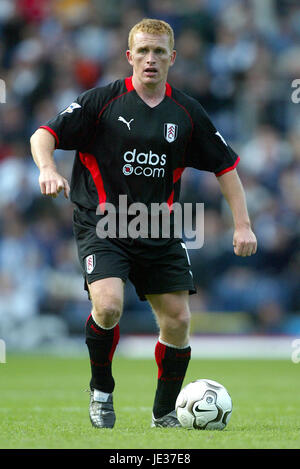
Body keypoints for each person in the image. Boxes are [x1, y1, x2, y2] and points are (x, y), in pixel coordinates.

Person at [30, 18, 257, 429]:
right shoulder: (101, 102)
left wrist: (242, 224)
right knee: (109, 306)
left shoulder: (187, 112)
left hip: (158, 227)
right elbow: (43, 134)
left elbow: (227, 167)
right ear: (129, 55)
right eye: (143, 51)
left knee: (179, 321)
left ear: (172, 57)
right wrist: (47, 168)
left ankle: (164, 414)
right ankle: (101, 390)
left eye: (159, 52)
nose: (150, 59)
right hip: (103, 224)